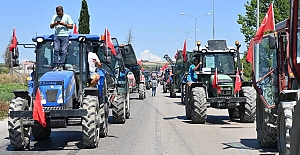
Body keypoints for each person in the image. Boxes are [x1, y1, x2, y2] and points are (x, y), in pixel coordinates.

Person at [50, 6, 74, 71]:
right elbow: (51, 26)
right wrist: (55, 23)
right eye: (58, 14)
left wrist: (65, 24)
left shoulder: (67, 17)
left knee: (63, 50)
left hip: (65, 35)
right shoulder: (54, 17)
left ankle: (61, 65)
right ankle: (55, 65)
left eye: (60, 14)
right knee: (56, 50)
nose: (59, 15)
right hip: (57, 35)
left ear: (62, 11)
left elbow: (71, 26)